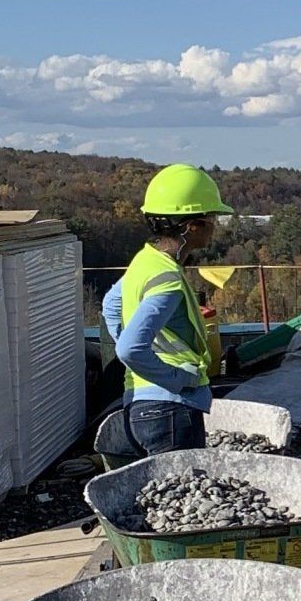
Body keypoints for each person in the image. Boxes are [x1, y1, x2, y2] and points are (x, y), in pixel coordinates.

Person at [100, 165, 232, 459]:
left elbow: (111, 305)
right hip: (169, 409)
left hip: (139, 403)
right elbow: (130, 349)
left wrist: (150, 357)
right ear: (191, 226)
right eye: (212, 218)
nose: (215, 225)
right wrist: (176, 378)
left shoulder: (146, 261)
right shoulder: (168, 281)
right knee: (185, 498)